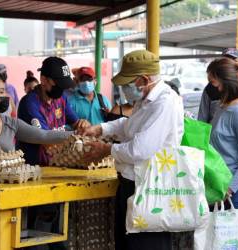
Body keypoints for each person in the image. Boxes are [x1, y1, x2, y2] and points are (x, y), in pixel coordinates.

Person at [78, 50, 185, 250]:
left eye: (129, 83)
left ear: (144, 79)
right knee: (126, 242)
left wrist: (106, 149)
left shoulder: (164, 102)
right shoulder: (144, 101)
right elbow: (127, 126)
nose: (125, 89)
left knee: (146, 244)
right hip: (131, 184)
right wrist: (101, 128)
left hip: (150, 189)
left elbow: (139, 149)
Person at [0, 73, 74, 250]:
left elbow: (43, 135)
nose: (7, 96)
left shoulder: (10, 123)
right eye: (1, 91)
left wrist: (76, 135)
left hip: (12, 201)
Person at [17, 57, 90, 165]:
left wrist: (84, 125)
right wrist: (77, 137)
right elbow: (47, 141)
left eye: (64, 85)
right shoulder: (30, 104)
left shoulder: (61, 98)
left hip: (58, 166)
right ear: (43, 80)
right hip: (36, 169)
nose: (62, 89)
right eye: (58, 84)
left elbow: (78, 124)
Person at [208, 57, 238, 209]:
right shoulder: (221, 107)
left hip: (232, 191)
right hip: (216, 184)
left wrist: (229, 189)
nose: (210, 86)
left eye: (213, 81)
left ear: (225, 81)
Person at [198, 48, 238, 123]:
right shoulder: (210, 88)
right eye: (225, 62)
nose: (229, 65)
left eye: (233, 61)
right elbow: (201, 120)